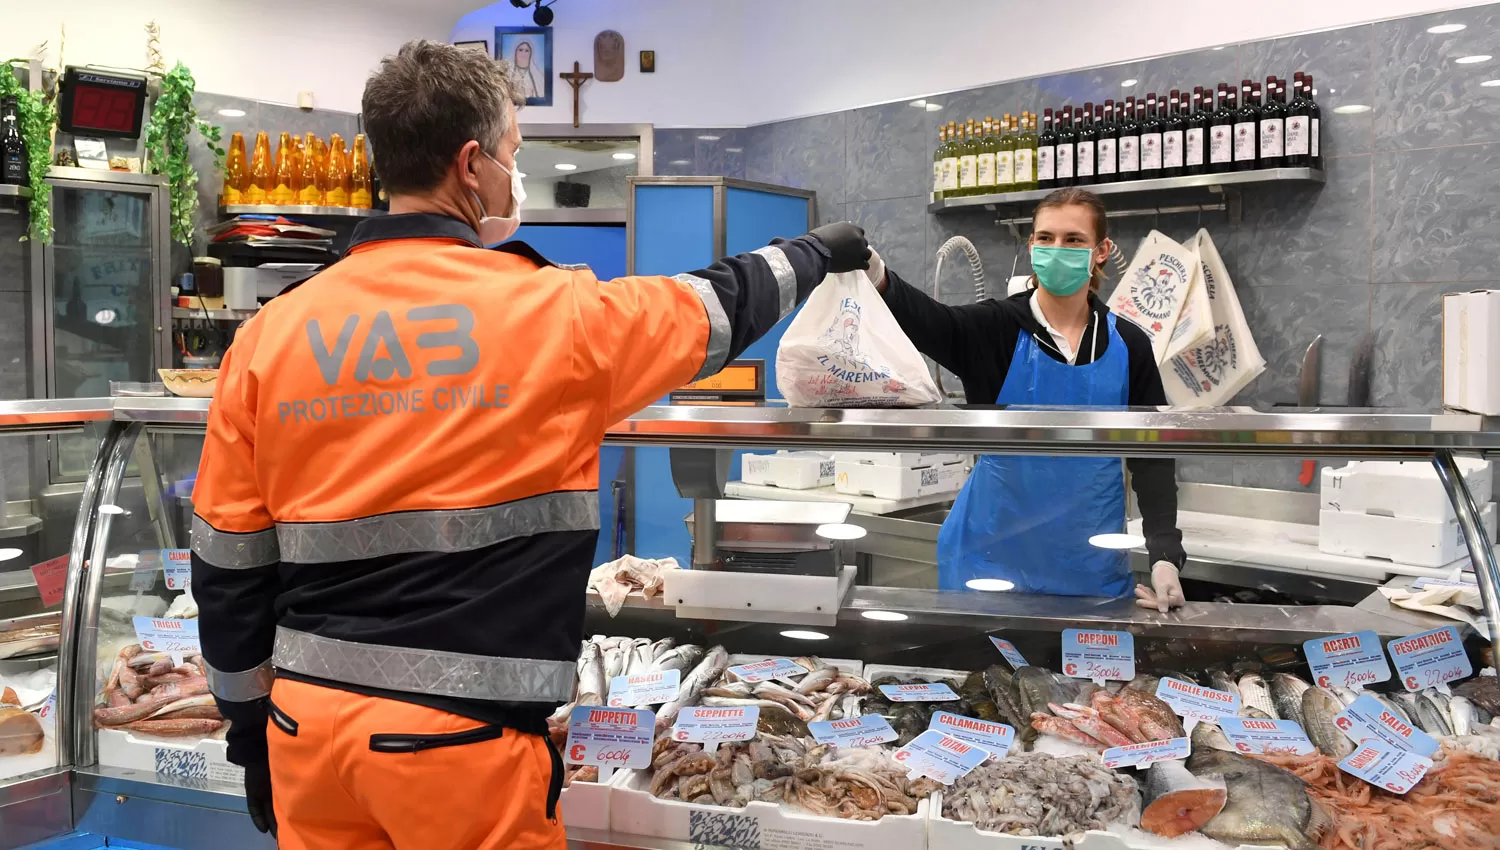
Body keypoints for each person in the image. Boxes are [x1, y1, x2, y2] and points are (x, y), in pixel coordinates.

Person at [189, 40, 871, 850]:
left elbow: (227, 566)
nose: (516, 174)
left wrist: (248, 736)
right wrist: (817, 250)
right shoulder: (551, 314)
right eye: (514, 152)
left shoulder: (271, 334)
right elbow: (718, 307)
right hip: (460, 750)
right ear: (472, 165)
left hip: (306, 733)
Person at [871, 187, 1186, 610]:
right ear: (1032, 244)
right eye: (1045, 238)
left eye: (1074, 240)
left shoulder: (1130, 343)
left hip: (1090, 565)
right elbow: (930, 321)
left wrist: (1165, 555)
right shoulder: (994, 328)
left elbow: (1154, 459)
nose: (1058, 249)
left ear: (1101, 251)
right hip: (986, 563)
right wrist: (875, 271)